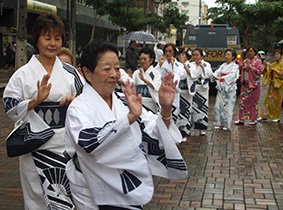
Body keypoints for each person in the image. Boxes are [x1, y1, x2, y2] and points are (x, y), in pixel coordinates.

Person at [64, 40, 187, 210]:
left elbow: (152, 128)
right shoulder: (78, 107)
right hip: (92, 183)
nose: (114, 74)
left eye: (116, 68)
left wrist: (165, 110)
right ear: (87, 72)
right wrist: (129, 118)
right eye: (107, 69)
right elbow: (89, 142)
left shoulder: (123, 100)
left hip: (127, 180)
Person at [3, 13, 83, 209]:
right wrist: (35, 100)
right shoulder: (22, 74)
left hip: (63, 144)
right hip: (34, 145)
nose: (53, 43)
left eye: (57, 38)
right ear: (37, 38)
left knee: (61, 195)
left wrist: (74, 101)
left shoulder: (70, 73)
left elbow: (87, 103)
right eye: (47, 38)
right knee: (36, 196)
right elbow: (10, 107)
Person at [155, 43, 186, 124]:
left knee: (173, 116)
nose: (168, 53)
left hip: (174, 94)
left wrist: (173, 66)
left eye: (170, 51)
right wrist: (160, 65)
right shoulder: (161, 64)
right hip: (163, 93)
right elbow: (155, 76)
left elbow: (178, 77)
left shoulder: (179, 65)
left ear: (174, 53)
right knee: (162, 115)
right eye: (166, 51)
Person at [235, 45, 263, 125]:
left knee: (253, 102)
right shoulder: (245, 60)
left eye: (251, 51)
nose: (250, 53)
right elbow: (242, 71)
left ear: (255, 52)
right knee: (243, 101)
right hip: (246, 84)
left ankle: (253, 119)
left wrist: (250, 67)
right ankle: (242, 118)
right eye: (249, 51)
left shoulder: (258, 61)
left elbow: (259, 71)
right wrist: (241, 67)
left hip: (254, 85)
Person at [258, 48, 283, 122]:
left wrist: (273, 69)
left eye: (278, 54)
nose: (276, 56)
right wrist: (266, 67)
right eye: (275, 54)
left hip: (279, 85)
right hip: (272, 85)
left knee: (277, 101)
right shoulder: (273, 64)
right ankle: (264, 115)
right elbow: (266, 72)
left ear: (281, 55)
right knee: (268, 100)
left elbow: (282, 74)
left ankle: (275, 117)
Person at [213, 49, 239, 130]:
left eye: (228, 55)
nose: (226, 56)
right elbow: (217, 72)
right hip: (221, 88)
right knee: (218, 106)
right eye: (226, 55)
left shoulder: (235, 67)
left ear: (233, 57)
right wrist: (214, 76)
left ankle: (226, 124)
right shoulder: (223, 65)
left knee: (228, 107)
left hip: (229, 89)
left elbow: (232, 76)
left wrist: (222, 78)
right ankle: (218, 122)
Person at [190, 48, 213, 136]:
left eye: (197, 55)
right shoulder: (190, 64)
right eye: (194, 55)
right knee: (192, 108)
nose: (195, 57)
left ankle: (202, 127)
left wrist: (202, 67)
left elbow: (210, 75)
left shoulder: (206, 64)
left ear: (201, 56)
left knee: (202, 108)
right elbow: (190, 75)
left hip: (202, 89)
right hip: (193, 89)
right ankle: (191, 127)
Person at [132, 47, 161, 113]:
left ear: (151, 60)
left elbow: (156, 87)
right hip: (139, 103)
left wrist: (144, 80)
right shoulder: (137, 73)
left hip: (151, 104)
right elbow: (132, 86)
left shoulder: (155, 73)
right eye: (140, 59)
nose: (142, 61)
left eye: (145, 59)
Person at [176, 47, 196, 138]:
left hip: (187, 92)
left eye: (183, 55)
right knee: (178, 111)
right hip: (178, 91)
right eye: (179, 55)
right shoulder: (176, 64)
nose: (181, 56)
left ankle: (185, 132)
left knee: (186, 111)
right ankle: (178, 132)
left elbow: (193, 75)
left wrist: (184, 65)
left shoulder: (190, 65)